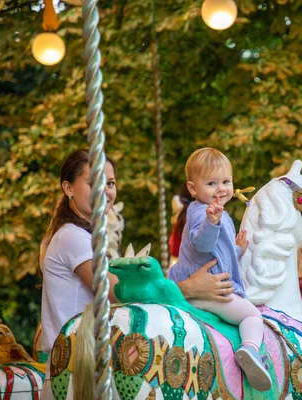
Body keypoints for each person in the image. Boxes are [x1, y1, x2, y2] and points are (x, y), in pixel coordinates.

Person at [40, 149, 233, 399]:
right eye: (93, 183)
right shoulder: (72, 237)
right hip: (75, 366)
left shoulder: (86, 236)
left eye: (110, 183)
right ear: (68, 188)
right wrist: (188, 288)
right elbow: (117, 293)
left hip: (95, 358)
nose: (105, 191)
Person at [169, 147, 271, 392]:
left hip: (206, 283)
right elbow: (201, 242)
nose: (221, 189)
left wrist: (236, 251)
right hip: (209, 290)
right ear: (194, 189)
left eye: (226, 181)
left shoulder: (216, 213)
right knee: (252, 315)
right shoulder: (202, 213)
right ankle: (250, 350)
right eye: (212, 183)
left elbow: (216, 254)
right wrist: (211, 223)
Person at [168, 183, 193, 262]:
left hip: (177, 255)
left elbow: (176, 198)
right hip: (187, 256)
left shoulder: (179, 207)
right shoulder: (188, 211)